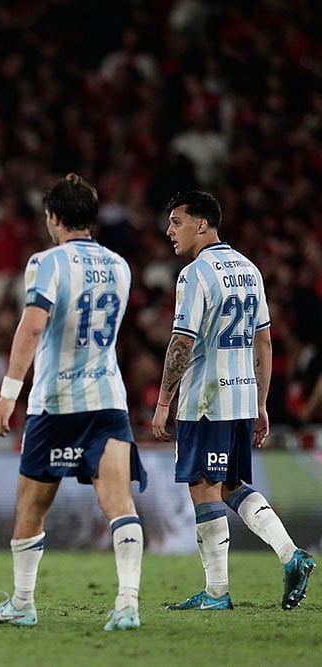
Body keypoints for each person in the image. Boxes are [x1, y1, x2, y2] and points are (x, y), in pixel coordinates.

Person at [0, 173, 146, 631]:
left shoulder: (46, 262)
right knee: (119, 503)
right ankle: (127, 603)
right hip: (107, 399)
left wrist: (7, 396)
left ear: (53, 217)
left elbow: (33, 326)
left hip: (55, 402)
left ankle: (22, 603)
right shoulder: (120, 266)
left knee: (31, 508)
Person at [152, 190, 315, 611]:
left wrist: (164, 401)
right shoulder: (250, 269)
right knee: (230, 485)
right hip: (241, 397)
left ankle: (216, 592)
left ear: (202, 224)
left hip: (207, 399)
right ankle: (291, 555)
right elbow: (264, 341)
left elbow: (181, 342)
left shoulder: (194, 274)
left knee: (204, 487)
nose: (170, 231)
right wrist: (261, 403)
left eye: (177, 222)